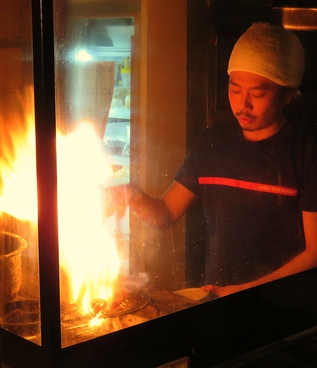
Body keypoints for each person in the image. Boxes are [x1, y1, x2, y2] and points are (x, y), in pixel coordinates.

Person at [103, 22, 317, 297]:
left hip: (282, 309)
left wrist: (244, 290)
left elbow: (314, 252)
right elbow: (165, 214)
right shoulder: (212, 143)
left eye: (259, 93)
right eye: (235, 89)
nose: (243, 104)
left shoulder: (306, 153)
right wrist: (132, 195)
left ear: (288, 94)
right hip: (216, 300)